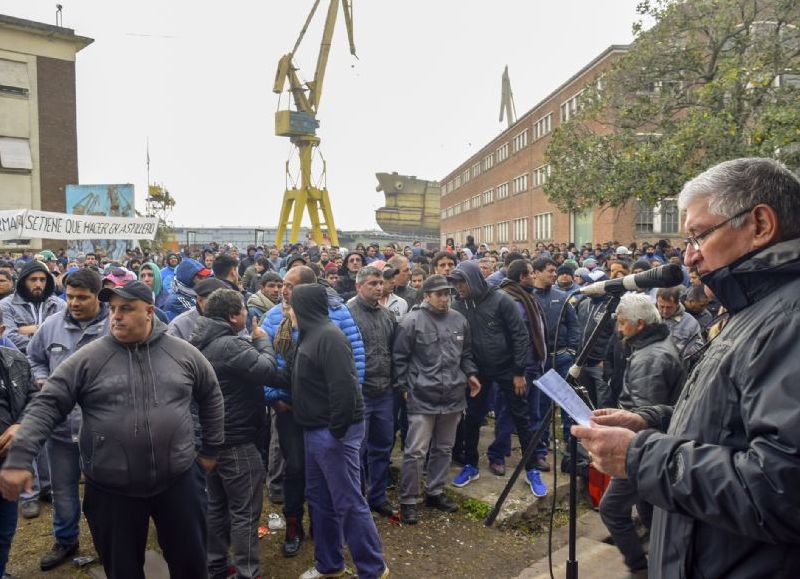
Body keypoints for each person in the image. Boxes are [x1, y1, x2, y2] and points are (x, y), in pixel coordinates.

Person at [572, 157, 800, 578]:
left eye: (698, 236)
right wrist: (650, 422)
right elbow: (725, 424)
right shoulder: (746, 309)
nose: (688, 256)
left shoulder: (789, 319)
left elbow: (781, 488)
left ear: (761, 225)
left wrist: (639, 456)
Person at [0, 280, 225, 579]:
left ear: (149, 311)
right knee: (122, 570)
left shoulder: (183, 353)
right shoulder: (88, 358)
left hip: (179, 482)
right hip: (111, 489)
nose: (116, 316)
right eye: (113, 309)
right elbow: (48, 405)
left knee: (191, 565)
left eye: (127, 309)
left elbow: (211, 395)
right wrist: (19, 458)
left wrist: (210, 449)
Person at [261, 265, 365, 558]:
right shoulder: (273, 317)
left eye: (291, 286)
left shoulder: (338, 317)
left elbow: (355, 360)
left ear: (308, 289)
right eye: (283, 284)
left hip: (326, 412)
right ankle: (294, 524)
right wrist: (273, 398)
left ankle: (326, 526)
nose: (284, 291)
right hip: (289, 408)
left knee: (330, 473)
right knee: (295, 469)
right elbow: (266, 361)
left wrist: (342, 406)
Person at [289, 284, 389, 579]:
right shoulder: (309, 335)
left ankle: (373, 569)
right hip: (315, 431)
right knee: (319, 500)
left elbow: (345, 391)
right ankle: (329, 565)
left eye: (291, 305)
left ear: (303, 307)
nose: (288, 311)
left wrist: (336, 432)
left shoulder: (330, 337)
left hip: (333, 433)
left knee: (348, 502)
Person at [190, 289, 278, 579]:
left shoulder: (198, 339)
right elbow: (266, 369)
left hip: (210, 442)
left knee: (217, 506)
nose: (246, 315)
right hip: (236, 440)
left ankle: (215, 565)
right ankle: (247, 572)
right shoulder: (228, 344)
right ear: (232, 316)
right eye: (242, 310)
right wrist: (263, 340)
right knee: (244, 512)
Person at [26, 269, 108, 571]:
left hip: (103, 431)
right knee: (62, 489)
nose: (73, 302)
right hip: (61, 429)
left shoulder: (114, 325)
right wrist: (41, 378)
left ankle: (106, 543)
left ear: (98, 297)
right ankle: (65, 540)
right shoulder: (51, 325)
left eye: (82, 297)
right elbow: (34, 357)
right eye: (69, 296)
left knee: (103, 492)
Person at [599, 293, 684, 576]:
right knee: (648, 503)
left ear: (640, 324)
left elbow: (645, 417)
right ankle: (659, 555)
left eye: (623, 324)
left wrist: (624, 447)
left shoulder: (651, 359)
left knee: (612, 508)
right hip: (649, 447)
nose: (619, 329)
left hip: (643, 447)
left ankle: (639, 568)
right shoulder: (650, 346)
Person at [448, 261, 544, 495]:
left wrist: (519, 371)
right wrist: (470, 372)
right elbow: (463, 346)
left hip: (509, 369)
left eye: (461, 282)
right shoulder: (459, 306)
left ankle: (531, 469)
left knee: (521, 418)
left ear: (472, 280)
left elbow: (520, 336)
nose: (458, 288)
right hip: (479, 370)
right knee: (472, 418)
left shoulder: (501, 300)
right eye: (455, 283)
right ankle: (471, 464)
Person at [394, 274, 480, 523]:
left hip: (453, 395)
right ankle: (409, 499)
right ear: (426, 296)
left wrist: (471, 374)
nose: (445, 298)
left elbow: (466, 354)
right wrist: (404, 387)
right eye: (440, 294)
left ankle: (435, 491)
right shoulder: (411, 321)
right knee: (416, 451)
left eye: (448, 293)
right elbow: (399, 358)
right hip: (422, 395)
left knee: (444, 448)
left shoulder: (459, 320)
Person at [486, 260, 549, 496]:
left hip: (534, 367)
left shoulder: (527, 296)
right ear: (522, 277)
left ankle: (535, 454)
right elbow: (511, 341)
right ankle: (497, 455)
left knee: (532, 414)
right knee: (507, 414)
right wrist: (517, 372)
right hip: (517, 372)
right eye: (532, 273)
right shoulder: (510, 300)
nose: (535, 276)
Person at [346, 267, 397, 518]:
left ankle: (377, 496)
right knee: (358, 449)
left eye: (381, 283)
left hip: (385, 391)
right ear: (359, 286)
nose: (379, 287)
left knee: (383, 445)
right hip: (361, 393)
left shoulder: (388, 316)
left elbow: (394, 351)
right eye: (373, 283)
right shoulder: (347, 315)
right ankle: (357, 499)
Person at [530, 257, 580, 470]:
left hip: (562, 358)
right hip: (540, 361)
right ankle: (541, 449)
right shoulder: (528, 298)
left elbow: (574, 325)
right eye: (550, 271)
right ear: (537, 272)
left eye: (555, 271)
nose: (554, 274)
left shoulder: (563, 297)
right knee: (540, 406)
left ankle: (573, 448)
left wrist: (571, 351)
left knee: (569, 404)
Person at [0, 311, 37, 576]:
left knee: (4, 531)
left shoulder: (14, 361)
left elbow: (34, 397)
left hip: (6, 465)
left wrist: (21, 424)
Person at [0, 260, 65, 353]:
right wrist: (50, 339)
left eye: (42, 280)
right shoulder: (6, 305)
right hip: (21, 362)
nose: (38, 284)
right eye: (33, 279)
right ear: (23, 281)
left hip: (54, 362)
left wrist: (34, 329)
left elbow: (68, 335)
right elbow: (8, 337)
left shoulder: (58, 304)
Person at [655, 286, 704, 359]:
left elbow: (699, 347)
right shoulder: (649, 318)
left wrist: (675, 350)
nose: (664, 311)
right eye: (661, 306)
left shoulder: (690, 322)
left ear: (677, 304)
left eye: (669, 307)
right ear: (657, 302)